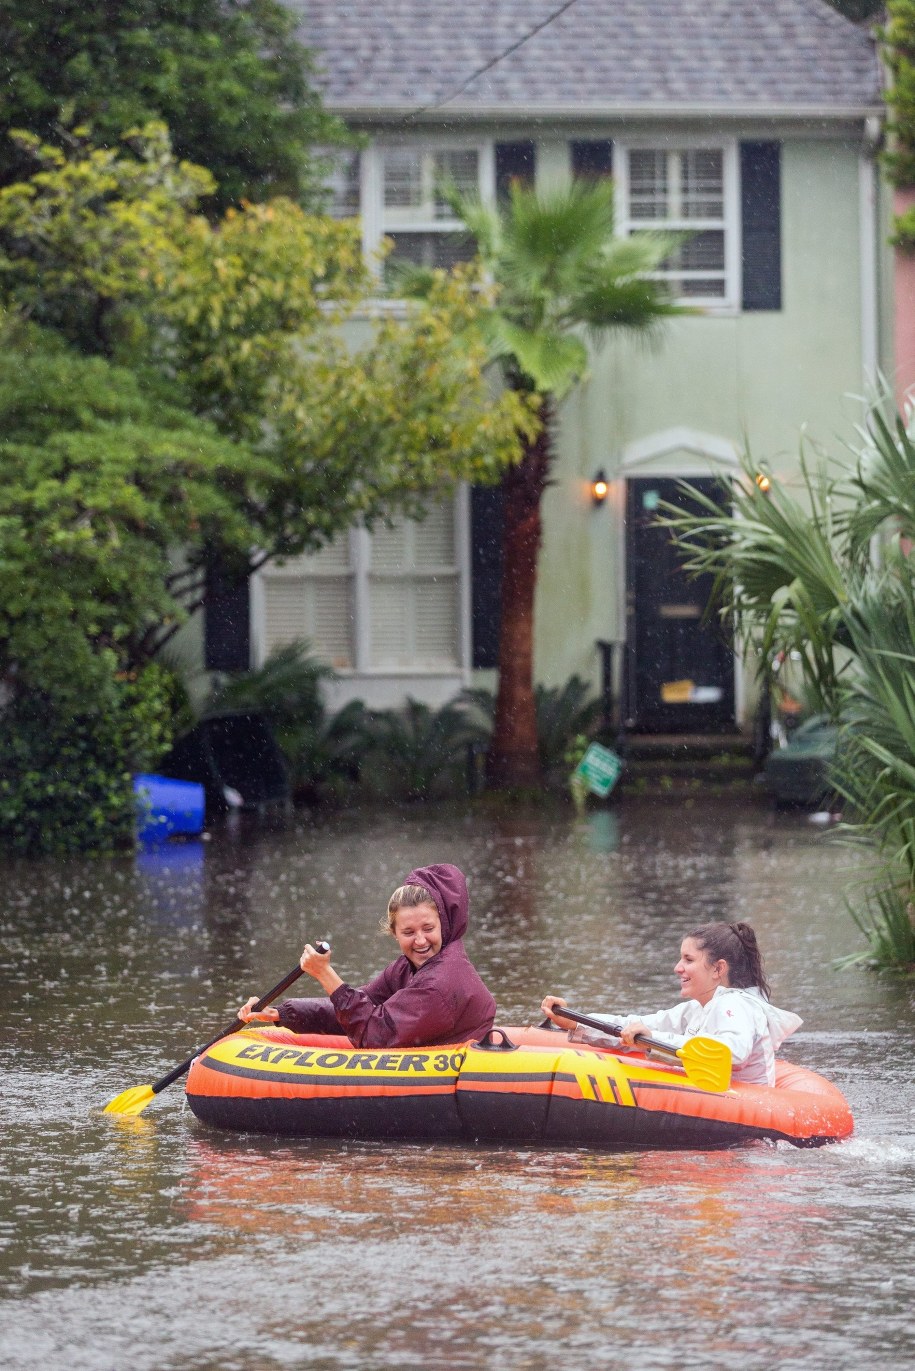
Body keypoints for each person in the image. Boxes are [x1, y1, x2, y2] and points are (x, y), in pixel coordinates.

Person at [238, 862, 496, 1049]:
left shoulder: (441, 982)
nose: (420, 940)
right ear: (394, 933)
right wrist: (282, 1014)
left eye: (428, 929)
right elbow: (358, 1007)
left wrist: (325, 973)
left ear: (444, 925)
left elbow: (375, 1035)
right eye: (408, 932)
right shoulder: (406, 968)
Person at [540, 921, 802, 1086]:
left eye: (689, 960)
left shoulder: (736, 1005)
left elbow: (732, 1053)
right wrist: (575, 1021)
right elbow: (635, 1025)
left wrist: (653, 1039)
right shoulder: (696, 1008)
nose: (678, 968)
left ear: (718, 969)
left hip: (746, 1114)